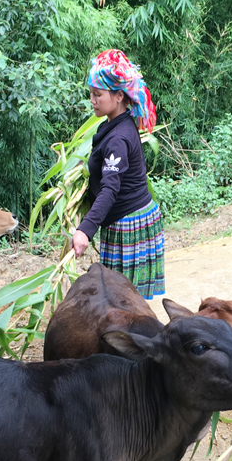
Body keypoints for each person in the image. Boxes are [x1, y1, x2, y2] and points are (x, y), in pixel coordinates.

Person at [72, 49, 165, 300]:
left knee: (123, 302)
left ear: (119, 95)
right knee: (121, 302)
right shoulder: (118, 124)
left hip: (130, 224)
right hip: (124, 219)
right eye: (91, 94)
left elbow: (110, 188)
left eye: (97, 94)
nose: (92, 100)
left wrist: (85, 230)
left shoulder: (118, 138)